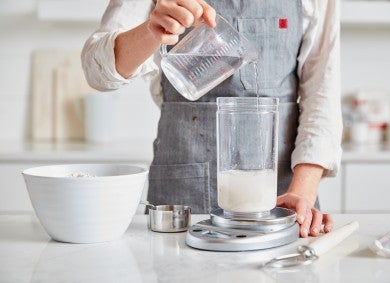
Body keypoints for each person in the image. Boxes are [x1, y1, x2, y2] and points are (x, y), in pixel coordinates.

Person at [81, 0, 342, 238]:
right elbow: (97, 71)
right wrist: (152, 31)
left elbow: (323, 93)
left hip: (283, 197)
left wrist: (302, 192)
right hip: (182, 196)